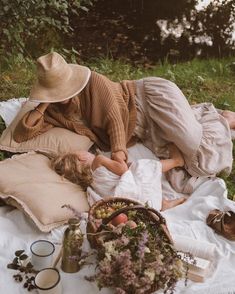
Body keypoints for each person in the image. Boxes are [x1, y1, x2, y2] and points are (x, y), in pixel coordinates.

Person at [13, 52, 234, 185]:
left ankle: (220, 118)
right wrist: (45, 101)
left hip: (148, 98)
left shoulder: (93, 82)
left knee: (192, 142)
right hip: (142, 130)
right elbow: (21, 134)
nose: (63, 95)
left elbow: (114, 118)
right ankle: (195, 116)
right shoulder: (53, 109)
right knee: (197, 166)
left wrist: (118, 154)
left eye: (64, 87)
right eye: (56, 90)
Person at [51, 143, 186, 211]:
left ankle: (164, 205)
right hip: (139, 194)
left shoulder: (91, 183)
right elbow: (122, 170)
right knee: (143, 167)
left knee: (133, 166)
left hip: (145, 206)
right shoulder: (98, 161)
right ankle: (177, 161)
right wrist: (116, 157)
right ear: (81, 157)